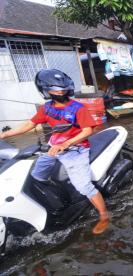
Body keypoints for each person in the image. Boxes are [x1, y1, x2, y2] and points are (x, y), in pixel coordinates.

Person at [0, 69, 109, 234]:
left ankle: (104, 216)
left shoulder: (78, 108)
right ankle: (54, 197)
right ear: (45, 90)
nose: (60, 91)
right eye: (56, 89)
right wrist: (4, 134)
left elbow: (87, 131)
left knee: (84, 186)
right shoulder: (47, 108)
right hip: (52, 147)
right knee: (36, 175)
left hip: (76, 149)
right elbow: (29, 124)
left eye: (62, 88)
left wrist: (66, 144)